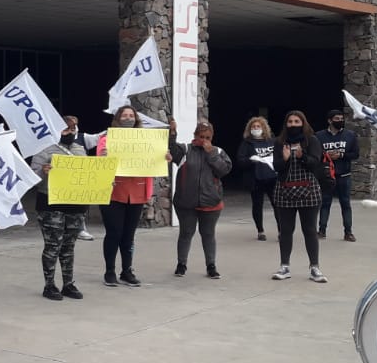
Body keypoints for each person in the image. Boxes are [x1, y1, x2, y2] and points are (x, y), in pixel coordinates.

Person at [97, 105, 160, 287]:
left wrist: (163, 157)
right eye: (124, 115)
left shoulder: (145, 140)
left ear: (136, 119)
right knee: (114, 233)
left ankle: (127, 270)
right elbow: (100, 158)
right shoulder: (107, 138)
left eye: (131, 115)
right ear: (118, 118)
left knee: (129, 236)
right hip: (113, 192)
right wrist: (104, 155)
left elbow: (154, 160)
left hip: (137, 193)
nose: (128, 118)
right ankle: (109, 271)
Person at [29, 116, 87, 301]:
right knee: (53, 245)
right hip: (50, 204)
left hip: (75, 204)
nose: (69, 133)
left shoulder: (80, 150)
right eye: (65, 130)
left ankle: (68, 284)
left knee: (69, 246)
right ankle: (49, 285)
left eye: (72, 130)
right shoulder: (44, 150)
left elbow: (88, 175)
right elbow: (32, 177)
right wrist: (43, 172)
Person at [169, 120, 233, 279]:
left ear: (212, 137)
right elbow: (171, 149)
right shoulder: (185, 150)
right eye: (201, 136)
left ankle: (211, 265)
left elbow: (224, 170)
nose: (204, 140)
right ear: (195, 135)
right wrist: (172, 133)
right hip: (186, 202)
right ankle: (181, 264)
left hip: (210, 202)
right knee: (186, 233)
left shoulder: (218, 152)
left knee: (208, 234)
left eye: (207, 137)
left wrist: (211, 154)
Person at [270, 110, 327, 283]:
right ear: (286, 124)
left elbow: (315, 163)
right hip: (285, 191)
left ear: (303, 123)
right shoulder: (279, 142)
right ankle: (284, 266)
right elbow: (276, 166)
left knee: (309, 230)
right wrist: (285, 159)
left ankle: (315, 267)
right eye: (290, 122)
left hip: (308, 191)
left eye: (297, 121)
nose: (293, 125)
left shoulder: (312, 140)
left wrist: (303, 157)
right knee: (286, 230)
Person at [317, 108, 360, 242]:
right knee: (325, 203)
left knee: (346, 204)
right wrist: (326, 155)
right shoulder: (319, 136)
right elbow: (314, 154)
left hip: (344, 175)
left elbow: (355, 154)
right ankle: (322, 230)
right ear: (329, 121)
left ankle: (348, 232)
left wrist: (341, 155)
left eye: (342, 119)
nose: (340, 121)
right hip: (327, 176)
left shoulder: (350, 135)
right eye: (337, 119)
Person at [236, 116, 277, 241]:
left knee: (277, 205)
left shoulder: (272, 141)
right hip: (256, 179)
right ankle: (260, 231)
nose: (256, 128)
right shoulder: (247, 143)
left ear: (263, 128)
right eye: (253, 127)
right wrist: (251, 161)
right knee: (257, 205)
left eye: (258, 126)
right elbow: (240, 160)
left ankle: (282, 231)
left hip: (272, 178)